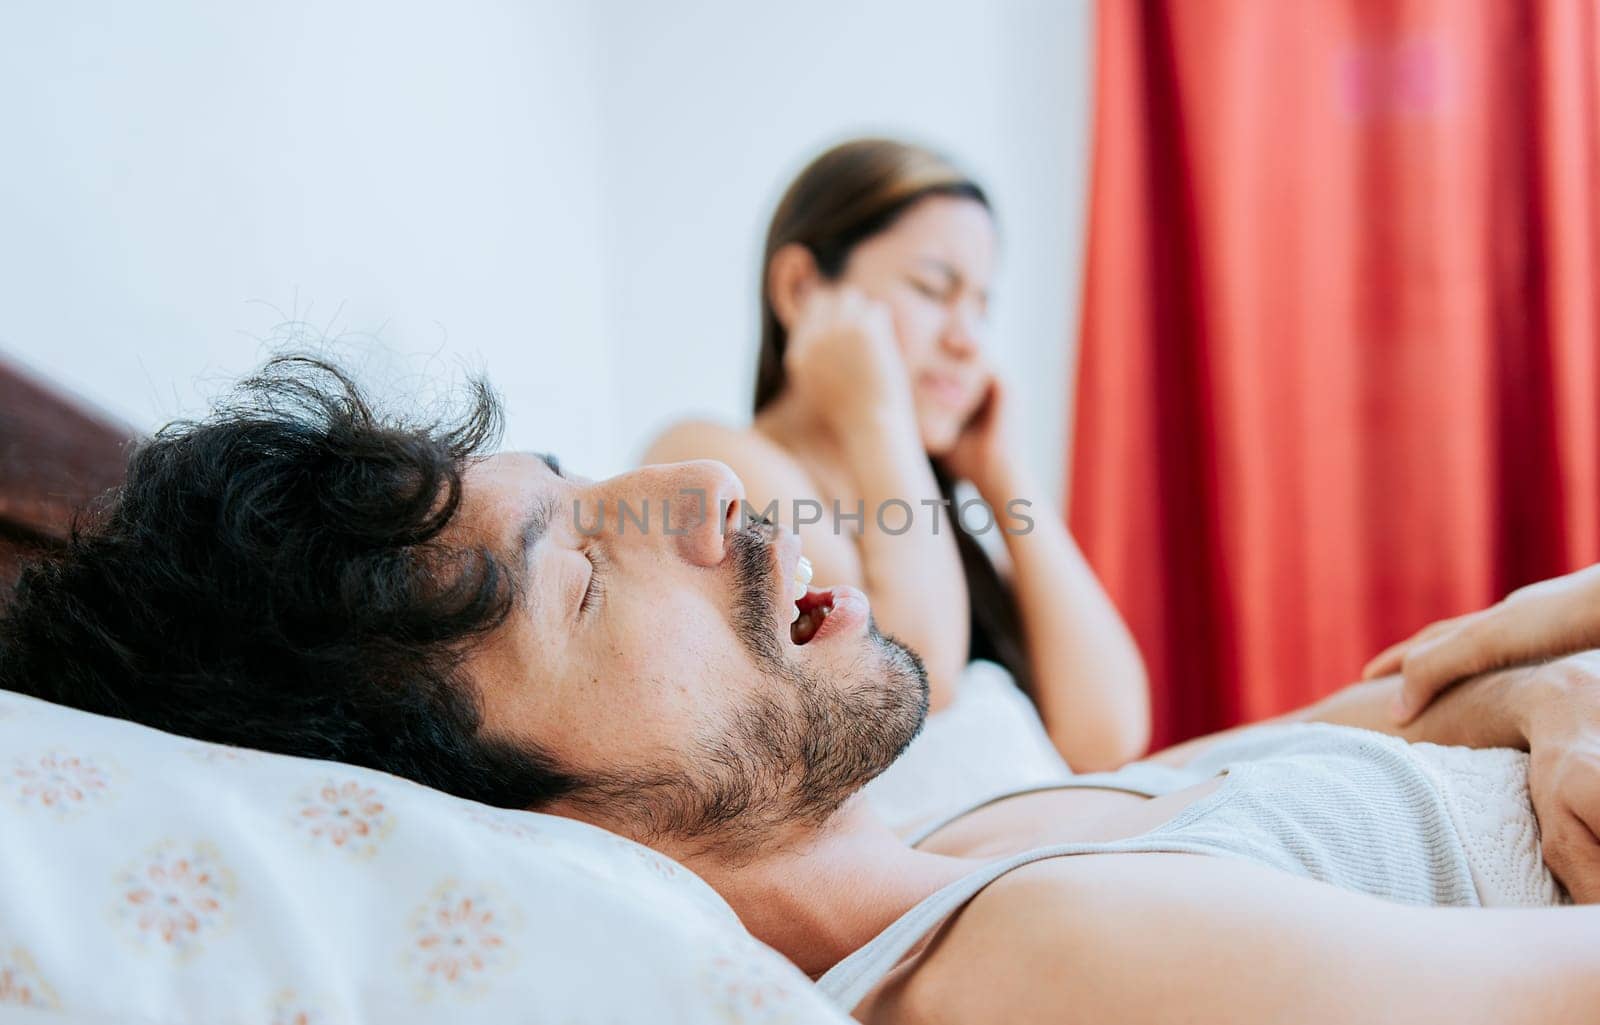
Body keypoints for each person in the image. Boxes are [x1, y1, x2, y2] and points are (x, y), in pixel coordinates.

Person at [5, 357, 1600, 1023]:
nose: (701, 489)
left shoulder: (970, 827)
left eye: (582, 480)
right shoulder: (1036, 956)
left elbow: (1407, 706)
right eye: (583, 571)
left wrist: (1539, 682)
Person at [644, 138, 1148, 772]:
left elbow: (1106, 736)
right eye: (935, 289)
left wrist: (1004, 477)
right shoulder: (717, 458)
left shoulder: (933, 525)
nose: (968, 340)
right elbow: (921, 677)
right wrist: (873, 414)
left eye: (982, 305)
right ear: (801, 289)